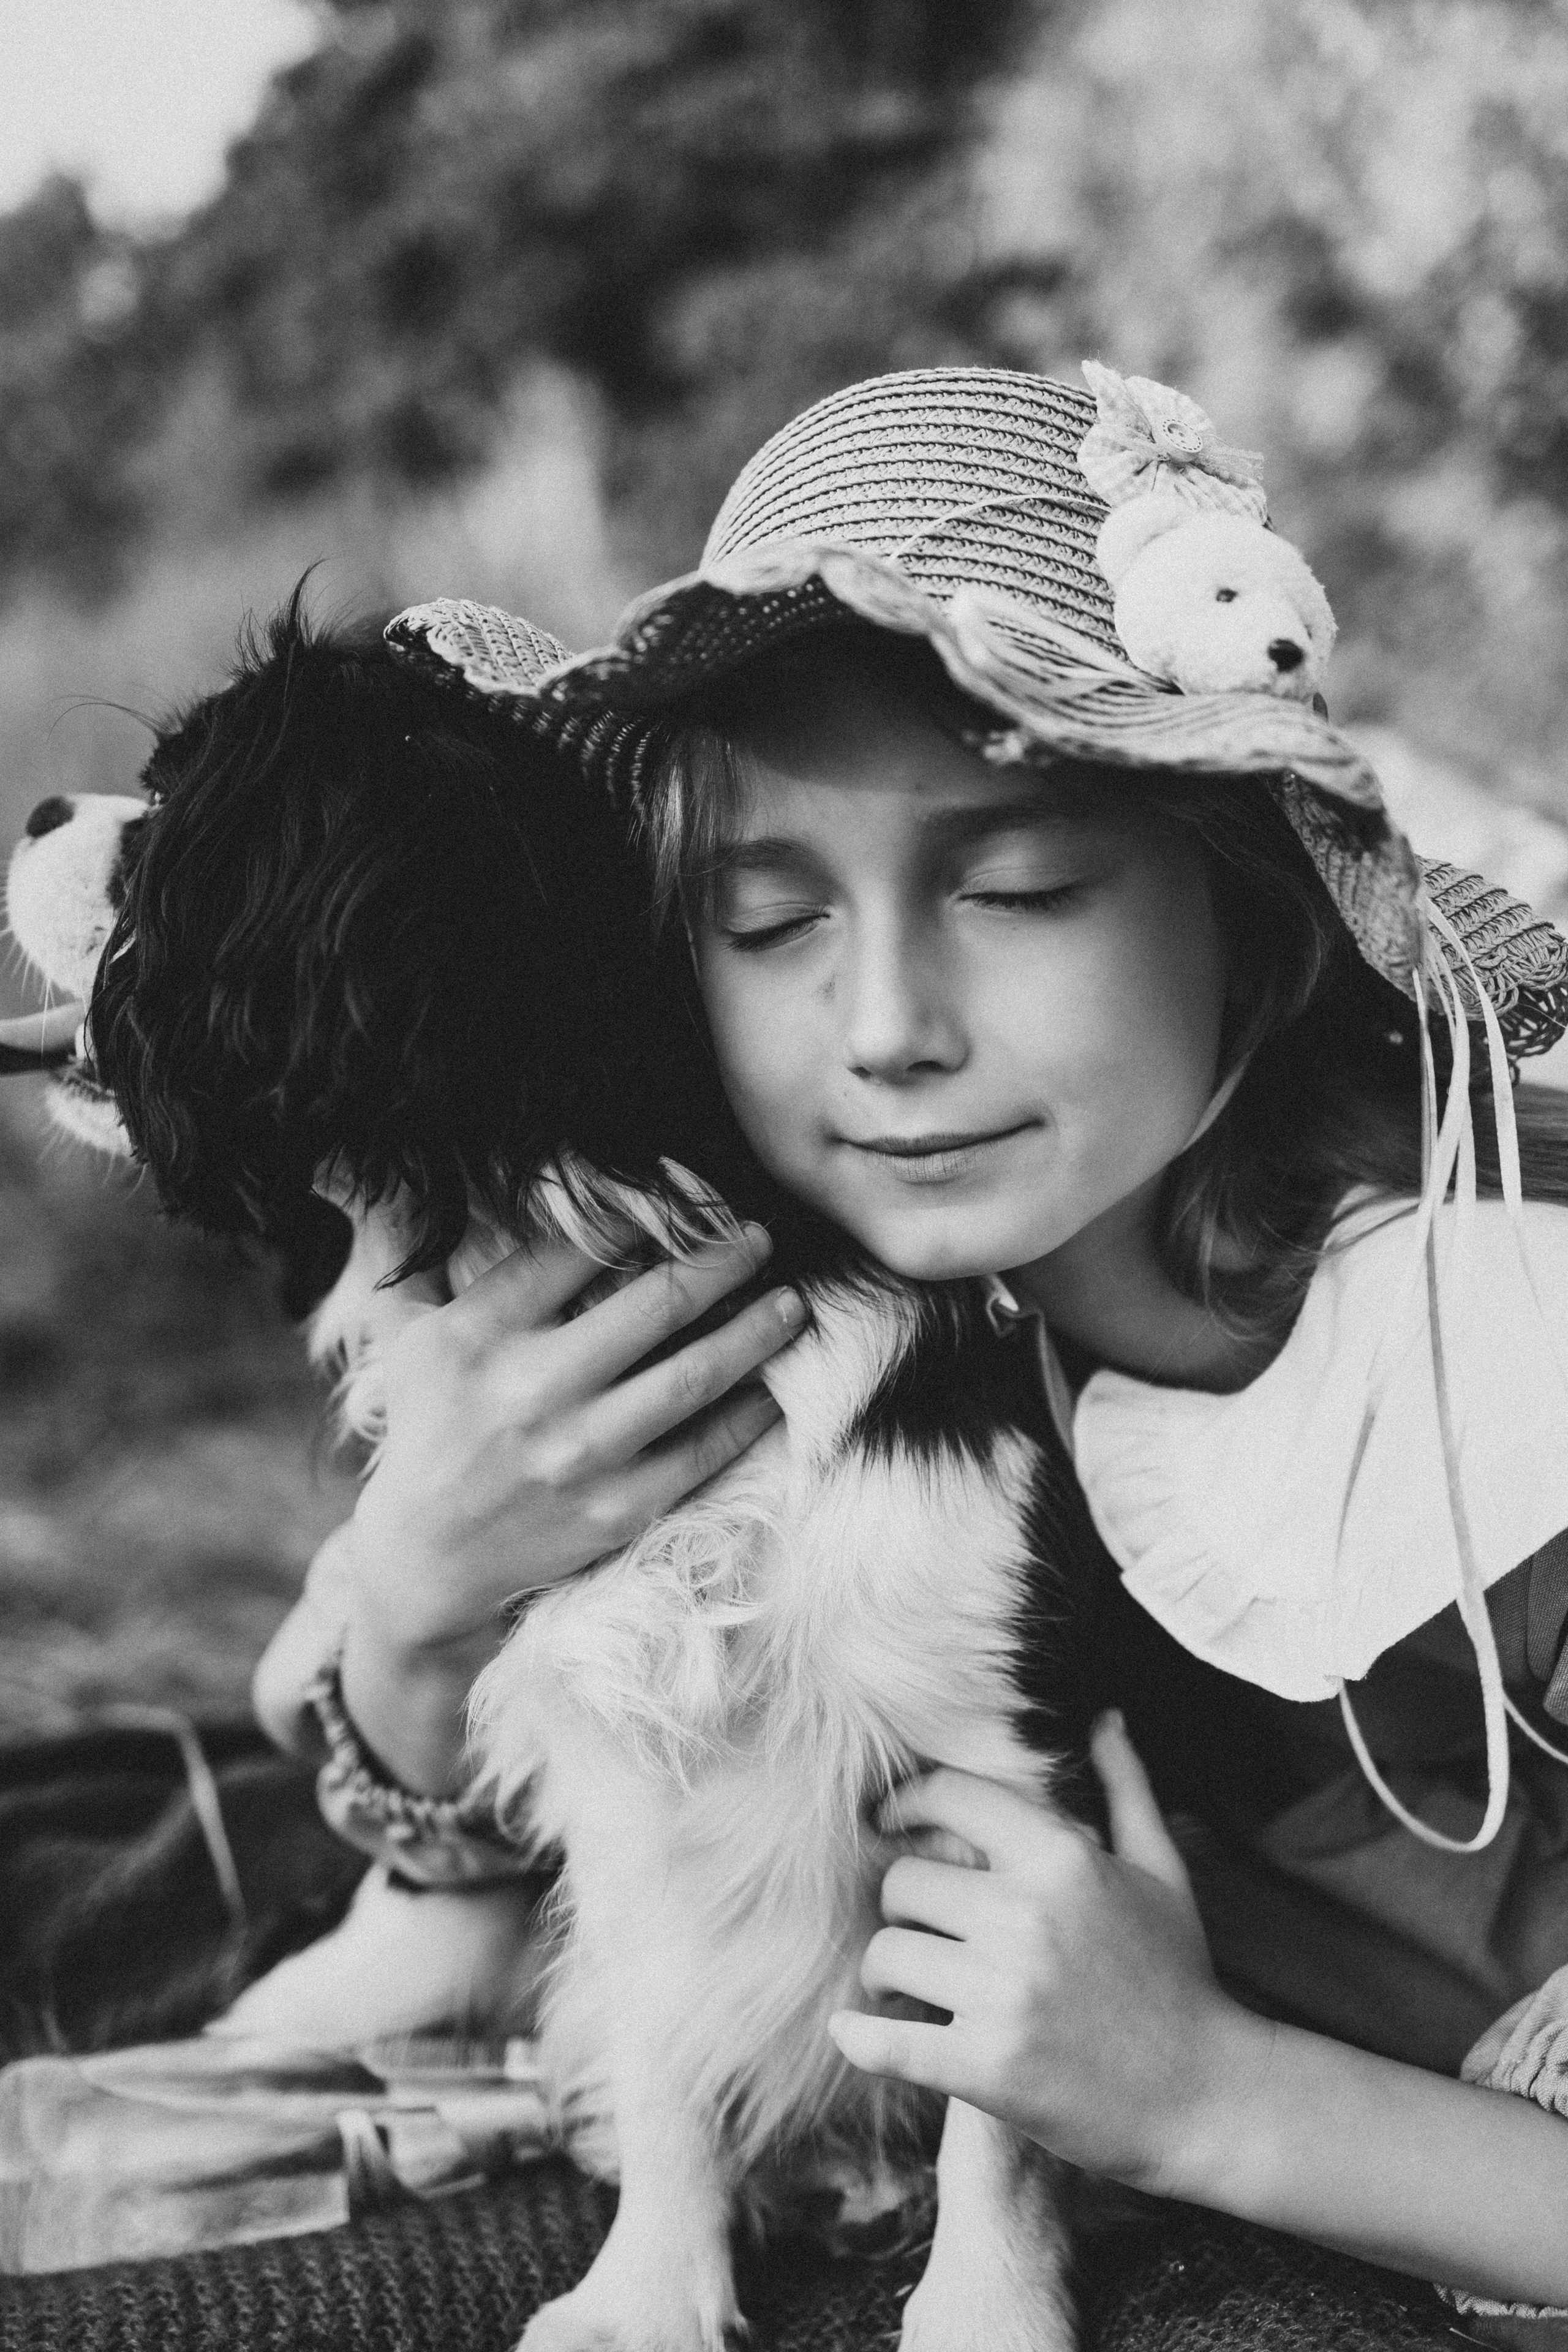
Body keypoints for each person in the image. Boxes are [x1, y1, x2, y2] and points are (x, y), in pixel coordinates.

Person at [322, 368, 1568, 2330]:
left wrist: (1212, 2099)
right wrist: (417, 1592)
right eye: (767, 921)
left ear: (1260, 921)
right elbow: (435, 1747)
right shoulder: (816, 1328)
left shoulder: (1494, 1370)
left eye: (1022, 888)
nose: (889, 1024)